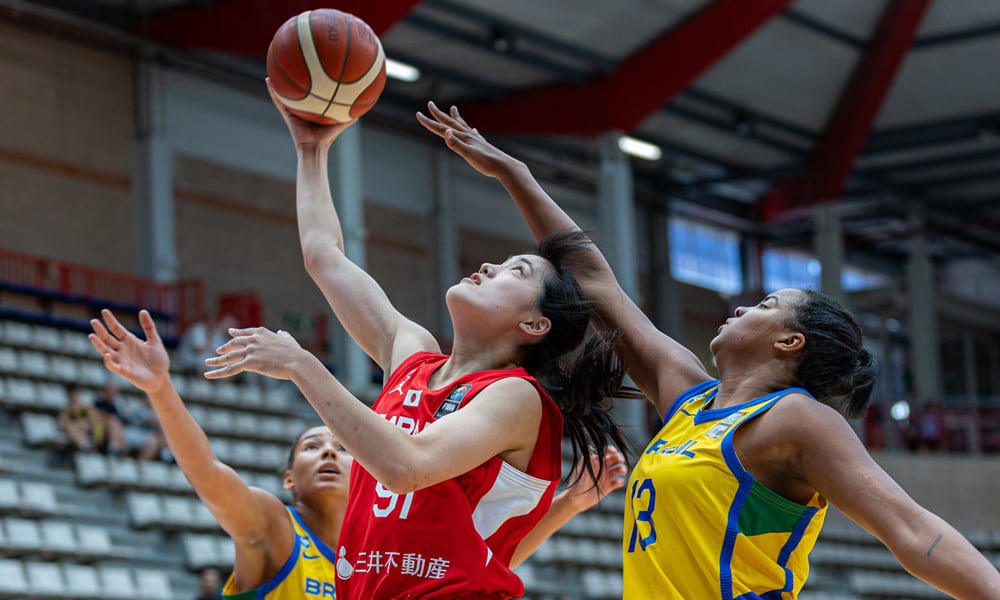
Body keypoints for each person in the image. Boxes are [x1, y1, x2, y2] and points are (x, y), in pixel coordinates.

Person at [416, 103, 1000, 599]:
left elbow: (911, 529)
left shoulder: (795, 419)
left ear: (789, 343)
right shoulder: (689, 400)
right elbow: (592, 279)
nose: (744, 306)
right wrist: (512, 172)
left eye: (767, 305)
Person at [200, 81, 636, 599]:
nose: (488, 265)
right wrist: (311, 148)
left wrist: (302, 365)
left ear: (535, 325)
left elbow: (407, 466)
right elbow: (323, 255)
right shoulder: (411, 355)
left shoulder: (518, 397)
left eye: (515, 271)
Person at [89, 309, 352, 599]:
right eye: (313, 446)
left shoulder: (371, 560)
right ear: (288, 479)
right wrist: (161, 388)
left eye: (341, 449)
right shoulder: (274, 525)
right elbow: (207, 473)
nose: (328, 451)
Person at [57, 383, 99, 452]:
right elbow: (62, 424)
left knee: (94, 424)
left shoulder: (86, 409)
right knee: (70, 425)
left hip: (87, 434)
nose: (74, 397)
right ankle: (84, 445)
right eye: (72, 395)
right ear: (69, 395)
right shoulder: (65, 410)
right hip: (73, 435)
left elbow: (94, 423)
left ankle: (89, 445)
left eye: (76, 394)